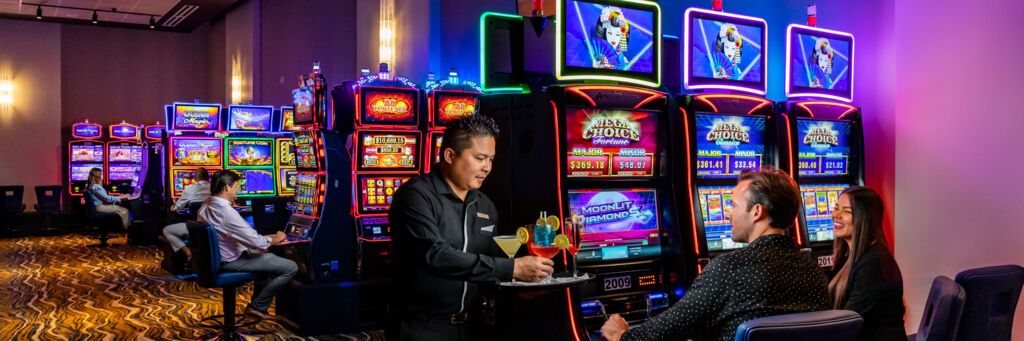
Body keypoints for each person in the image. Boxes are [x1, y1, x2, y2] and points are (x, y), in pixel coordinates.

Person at [600, 166, 829, 341]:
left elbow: (670, 328)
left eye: (733, 205)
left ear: (757, 211)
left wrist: (623, 335)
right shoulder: (813, 272)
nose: (728, 214)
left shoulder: (731, 268)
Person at [387, 115, 554, 340]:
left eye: (491, 159)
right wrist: (513, 268)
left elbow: (488, 266)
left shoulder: (484, 204)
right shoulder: (416, 195)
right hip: (421, 328)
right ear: (449, 155)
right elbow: (434, 254)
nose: (487, 167)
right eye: (480, 158)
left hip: (472, 327)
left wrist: (522, 288)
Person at [198, 170, 297, 321]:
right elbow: (257, 241)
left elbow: (227, 233)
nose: (239, 189)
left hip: (213, 260)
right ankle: (257, 308)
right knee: (290, 267)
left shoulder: (206, 203)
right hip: (230, 261)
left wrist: (262, 239)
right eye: (237, 186)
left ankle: (257, 308)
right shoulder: (226, 211)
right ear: (226, 187)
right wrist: (278, 238)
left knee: (265, 257)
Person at [829, 186, 906, 340]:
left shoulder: (873, 265)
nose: (836, 215)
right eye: (836, 208)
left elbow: (847, 325)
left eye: (847, 211)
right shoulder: (851, 255)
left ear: (864, 218)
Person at [163, 168, 212, 260]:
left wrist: (172, 207)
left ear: (195, 178)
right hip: (214, 226)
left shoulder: (189, 188)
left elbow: (177, 208)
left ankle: (187, 251)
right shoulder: (215, 189)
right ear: (208, 177)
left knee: (167, 230)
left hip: (195, 226)